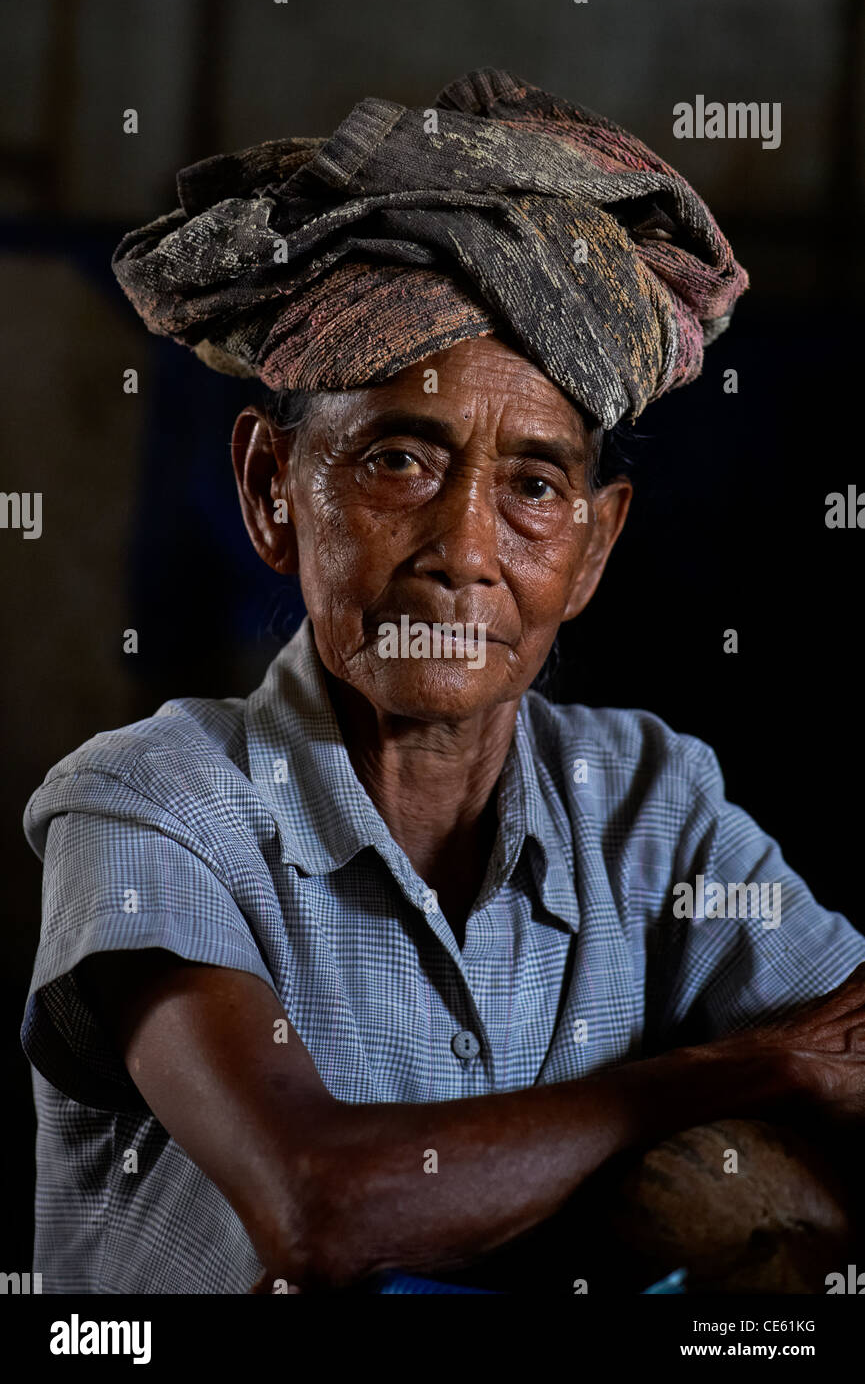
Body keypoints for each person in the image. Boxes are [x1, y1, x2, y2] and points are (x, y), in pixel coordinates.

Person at [21, 67, 865, 1295]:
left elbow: (843, 1043)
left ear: (592, 546)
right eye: (398, 460)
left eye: (532, 486)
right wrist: (726, 1076)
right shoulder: (158, 804)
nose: (465, 551)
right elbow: (318, 1205)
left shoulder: (648, 806)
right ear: (270, 490)